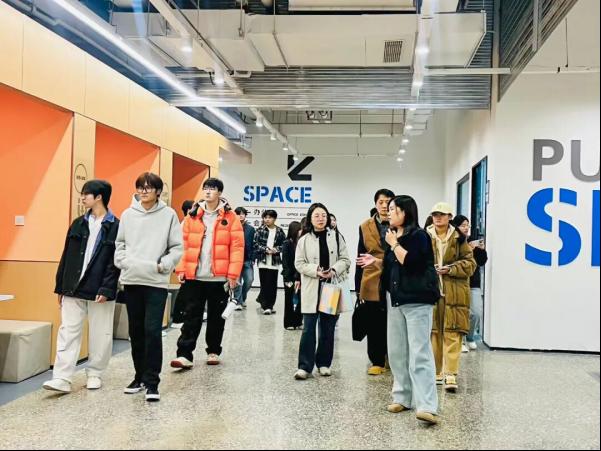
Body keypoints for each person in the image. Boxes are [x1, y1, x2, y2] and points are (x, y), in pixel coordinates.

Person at [358, 195, 440, 425]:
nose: (388, 211)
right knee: (397, 352)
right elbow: (393, 264)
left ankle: (427, 406)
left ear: (406, 212)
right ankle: (402, 397)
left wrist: (394, 244)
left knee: (419, 353)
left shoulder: (418, 236)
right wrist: (376, 262)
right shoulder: (392, 236)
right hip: (395, 300)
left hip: (417, 301)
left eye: (393, 209)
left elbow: (412, 263)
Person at [44, 180, 120, 394]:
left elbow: (115, 262)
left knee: (101, 333)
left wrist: (107, 288)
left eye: (86, 194)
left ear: (99, 197)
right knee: (68, 331)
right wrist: (61, 286)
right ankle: (61, 378)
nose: (83, 197)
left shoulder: (116, 226)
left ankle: (95, 373)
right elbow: (66, 256)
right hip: (73, 287)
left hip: (99, 289)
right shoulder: (78, 223)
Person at [114, 172, 183, 402]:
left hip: (156, 281)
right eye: (140, 187)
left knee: (152, 331)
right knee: (135, 331)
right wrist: (124, 262)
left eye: (148, 187)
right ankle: (139, 377)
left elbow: (176, 247)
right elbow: (120, 244)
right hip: (132, 280)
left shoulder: (169, 215)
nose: (143, 191)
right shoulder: (127, 214)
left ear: (158, 191)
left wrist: (164, 265)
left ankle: (152, 382)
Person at [170, 178, 244, 369]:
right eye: (205, 188)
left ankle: (213, 350)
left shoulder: (231, 217)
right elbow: (182, 244)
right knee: (191, 316)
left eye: (212, 188)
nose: (208, 192)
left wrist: (233, 275)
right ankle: (184, 354)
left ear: (220, 192)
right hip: (195, 276)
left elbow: (237, 248)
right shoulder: (192, 216)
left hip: (219, 277)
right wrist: (181, 268)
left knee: (216, 317)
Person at [294, 203, 351, 380]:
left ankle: (324, 363)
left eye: (323, 215)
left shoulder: (336, 236)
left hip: (330, 288)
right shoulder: (304, 239)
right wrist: (315, 270)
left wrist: (333, 270)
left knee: (327, 328)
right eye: (316, 216)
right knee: (308, 328)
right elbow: (299, 264)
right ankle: (304, 366)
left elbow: (345, 260)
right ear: (310, 219)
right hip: (312, 287)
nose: (320, 219)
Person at [426, 203, 476, 393]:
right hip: (431, 290)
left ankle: (450, 374)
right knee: (434, 333)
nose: (438, 217)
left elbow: (470, 264)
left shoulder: (459, 238)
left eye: (442, 214)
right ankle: (436, 372)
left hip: (454, 291)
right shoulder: (424, 235)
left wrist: (451, 269)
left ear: (449, 216)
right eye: (435, 214)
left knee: (453, 332)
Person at [355, 189, 395, 376]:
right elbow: (360, 256)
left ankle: (393, 358)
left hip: (395, 276)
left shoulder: (401, 224)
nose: (385, 206)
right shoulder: (365, 226)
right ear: (375, 204)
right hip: (372, 279)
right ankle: (377, 360)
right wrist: (358, 286)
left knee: (394, 321)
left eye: (388, 202)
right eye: (381, 202)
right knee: (374, 321)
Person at [452, 215, 488, 351]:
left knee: (476, 312)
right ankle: (460, 340)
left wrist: (481, 250)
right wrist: (468, 249)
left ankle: (470, 336)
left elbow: (481, 262)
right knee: (460, 312)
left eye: (468, 225)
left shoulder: (472, 240)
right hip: (458, 281)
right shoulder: (453, 241)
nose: (466, 228)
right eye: (463, 225)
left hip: (473, 282)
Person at [253, 210, 286, 315]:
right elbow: (255, 244)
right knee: (264, 284)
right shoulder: (260, 230)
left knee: (272, 285)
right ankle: (265, 306)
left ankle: (270, 305)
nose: (267, 219)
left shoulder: (280, 231)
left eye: (269, 217)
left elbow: (284, 244)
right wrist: (265, 249)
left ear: (274, 219)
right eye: (265, 217)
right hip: (263, 261)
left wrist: (276, 249)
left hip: (274, 261)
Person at [234, 207, 256, 311]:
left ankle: (242, 297)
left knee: (249, 280)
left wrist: (253, 258)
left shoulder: (251, 229)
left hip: (247, 259)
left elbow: (254, 244)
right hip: (235, 259)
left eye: (243, 213)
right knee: (237, 282)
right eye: (238, 214)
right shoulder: (232, 227)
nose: (241, 215)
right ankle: (238, 302)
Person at [282, 221, 303, 330]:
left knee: (300, 300)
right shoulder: (287, 243)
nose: (301, 231)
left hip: (300, 276)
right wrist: (287, 279)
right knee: (289, 299)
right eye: (299, 229)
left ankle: (298, 322)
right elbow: (285, 262)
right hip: (289, 276)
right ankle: (289, 323)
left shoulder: (301, 243)